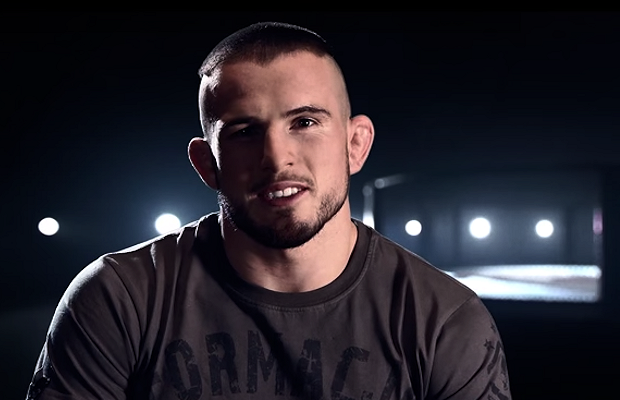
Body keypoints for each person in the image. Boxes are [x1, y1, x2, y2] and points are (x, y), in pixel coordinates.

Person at [27, 22, 511, 400]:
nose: (277, 158)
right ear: (207, 164)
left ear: (355, 144)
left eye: (305, 122)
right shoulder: (119, 299)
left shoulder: (445, 322)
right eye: (244, 132)